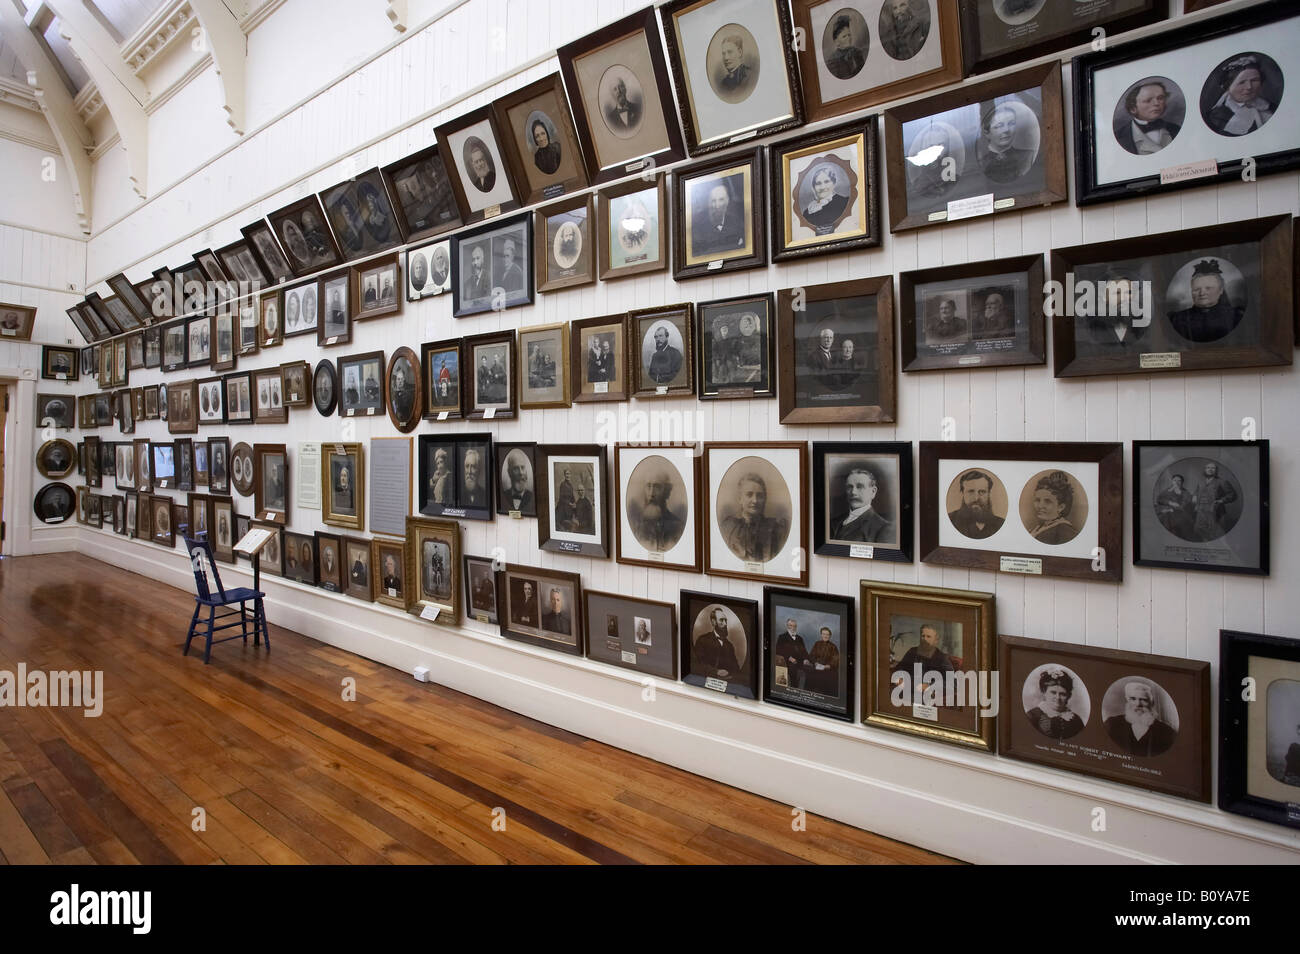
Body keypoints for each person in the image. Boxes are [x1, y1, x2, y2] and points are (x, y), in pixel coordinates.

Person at [1167, 259, 1243, 343]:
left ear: (1221, 290)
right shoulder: (1177, 319)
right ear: (1191, 291)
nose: (1202, 293)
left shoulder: (1236, 316)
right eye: (1196, 289)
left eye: (1208, 288)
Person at [720, 473, 787, 563]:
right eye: (749, 494)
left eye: (759, 496)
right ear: (740, 499)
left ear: (765, 499)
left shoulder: (776, 529)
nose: (755, 500)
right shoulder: (728, 528)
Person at [1204, 55, 1274, 137]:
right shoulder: (1216, 117)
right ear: (1228, 86)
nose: (1249, 87)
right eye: (1242, 82)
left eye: (1254, 80)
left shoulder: (1268, 107)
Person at [1105, 682, 1177, 756]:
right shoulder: (1112, 724)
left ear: (1150, 702)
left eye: (1143, 700)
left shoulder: (1166, 732)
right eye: (1133, 699)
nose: (1138, 704)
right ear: (1127, 700)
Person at [1116, 80, 1180, 155]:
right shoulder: (1119, 137)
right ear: (1133, 108)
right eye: (1148, 100)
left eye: (1160, 98)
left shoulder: (1175, 128)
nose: (1156, 103)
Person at [831, 466, 891, 542]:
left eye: (860, 487)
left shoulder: (883, 528)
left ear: (873, 491)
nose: (853, 492)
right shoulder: (835, 521)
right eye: (849, 487)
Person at [978, 104, 1033, 183]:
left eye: (1011, 123)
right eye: (999, 126)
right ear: (987, 132)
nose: (1006, 130)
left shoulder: (1027, 156)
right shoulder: (981, 164)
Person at [1025, 669, 1085, 740]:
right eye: (1053, 692)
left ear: (1068, 696)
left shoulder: (1075, 719)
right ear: (1044, 692)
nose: (1057, 698)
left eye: (1063, 694)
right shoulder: (1033, 716)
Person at [634, 468, 685, 552]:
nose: (651, 493)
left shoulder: (677, 526)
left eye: (657, 487)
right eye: (648, 486)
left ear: (666, 491)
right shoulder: (636, 524)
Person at [692, 182, 745, 256]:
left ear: (727, 201)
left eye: (721, 200)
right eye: (713, 201)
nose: (717, 206)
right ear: (708, 204)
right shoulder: (697, 230)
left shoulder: (737, 223)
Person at [1026, 471, 1079, 545]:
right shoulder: (1037, 528)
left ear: (1061, 507)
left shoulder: (1065, 532)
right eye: (1037, 500)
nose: (1040, 506)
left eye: (1047, 501)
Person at [948, 470, 1003, 539]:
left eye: (982, 492)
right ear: (962, 493)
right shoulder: (950, 520)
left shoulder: (1000, 523)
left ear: (989, 494)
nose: (976, 498)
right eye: (971, 491)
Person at [1190, 461, 1237, 541]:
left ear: (1216, 470)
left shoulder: (1222, 481)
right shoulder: (1201, 481)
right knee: (1199, 531)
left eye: (1213, 468)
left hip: (1215, 511)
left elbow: (1232, 494)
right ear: (1205, 470)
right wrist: (1194, 495)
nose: (1210, 469)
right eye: (1208, 468)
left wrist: (1221, 501)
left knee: (1214, 533)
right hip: (1201, 511)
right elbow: (1197, 490)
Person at [693, 609, 742, 679]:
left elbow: (736, 669)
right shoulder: (702, 640)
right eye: (721, 620)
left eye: (726, 621)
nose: (725, 624)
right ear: (714, 622)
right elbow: (697, 665)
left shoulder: (729, 645)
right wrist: (715, 671)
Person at [802, 166, 849, 231]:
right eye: (818, 183)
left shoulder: (845, 202)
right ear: (814, 187)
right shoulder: (808, 212)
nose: (823, 187)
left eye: (826, 182)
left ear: (834, 183)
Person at [1155, 473, 1195, 539]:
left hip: (1181, 514)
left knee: (1167, 517)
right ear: (1172, 481)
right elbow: (1159, 499)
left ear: (1182, 482)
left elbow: (1183, 506)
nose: (1176, 482)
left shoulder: (1186, 493)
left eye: (1179, 481)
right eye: (1174, 480)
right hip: (1168, 511)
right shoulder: (1168, 490)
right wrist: (1170, 502)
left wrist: (1172, 509)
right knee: (1161, 515)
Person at [774, 618, 811, 689]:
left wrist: (806, 659)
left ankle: (805, 692)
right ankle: (794, 690)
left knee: (811, 669)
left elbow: (804, 652)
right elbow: (778, 650)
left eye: (795, 626)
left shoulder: (800, 638)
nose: (793, 628)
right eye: (791, 626)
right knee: (793, 670)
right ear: (787, 626)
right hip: (788, 662)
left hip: (800, 661)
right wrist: (789, 658)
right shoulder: (782, 637)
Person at [825, 14, 864, 80]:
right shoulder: (832, 61)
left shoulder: (857, 52)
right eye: (844, 36)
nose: (848, 38)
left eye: (849, 35)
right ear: (836, 41)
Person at [808, 627, 840, 696]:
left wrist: (828, 666)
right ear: (821, 635)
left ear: (830, 636)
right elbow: (811, 656)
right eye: (824, 634)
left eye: (827, 634)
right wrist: (815, 663)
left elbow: (836, 660)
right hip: (817, 666)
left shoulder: (833, 646)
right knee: (809, 673)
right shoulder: (817, 644)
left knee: (829, 676)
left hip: (828, 668)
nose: (825, 636)